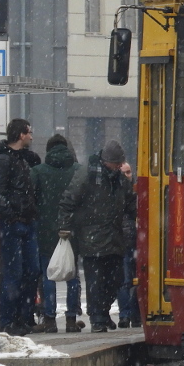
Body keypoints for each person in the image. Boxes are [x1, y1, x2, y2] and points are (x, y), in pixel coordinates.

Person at [58, 140, 136, 333]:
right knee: (96, 282)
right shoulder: (87, 175)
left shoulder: (119, 180)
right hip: (92, 238)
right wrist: (65, 227)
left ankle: (103, 312)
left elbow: (131, 204)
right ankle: (98, 319)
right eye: (116, 163)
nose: (119, 166)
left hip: (115, 239)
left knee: (115, 280)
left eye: (120, 163)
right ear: (106, 160)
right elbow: (69, 200)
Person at [0, 118, 41, 337]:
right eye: (29, 132)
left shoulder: (19, 159)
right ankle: (8, 320)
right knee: (14, 273)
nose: (31, 136)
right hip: (14, 224)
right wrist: (11, 216)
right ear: (21, 135)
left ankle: (21, 317)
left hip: (25, 222)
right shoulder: (5, 160)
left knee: (31, 270)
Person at [31, 134, 86, 334]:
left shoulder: (38, 172)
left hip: (46, 230)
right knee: (72, 274)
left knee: (49, 275)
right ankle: (71, 319)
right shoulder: (79, 171)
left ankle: (49, 319)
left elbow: (31, 199)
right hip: (72, 229)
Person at [115, 161, 141, 329]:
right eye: (124, 172)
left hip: (135, 241)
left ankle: (132, 314)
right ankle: (127, 314)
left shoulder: (134, 191)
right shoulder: (122, 192)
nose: (127, 175)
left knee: (134, 280)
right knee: (126, 280)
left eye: (129, 172)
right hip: (125, 241)